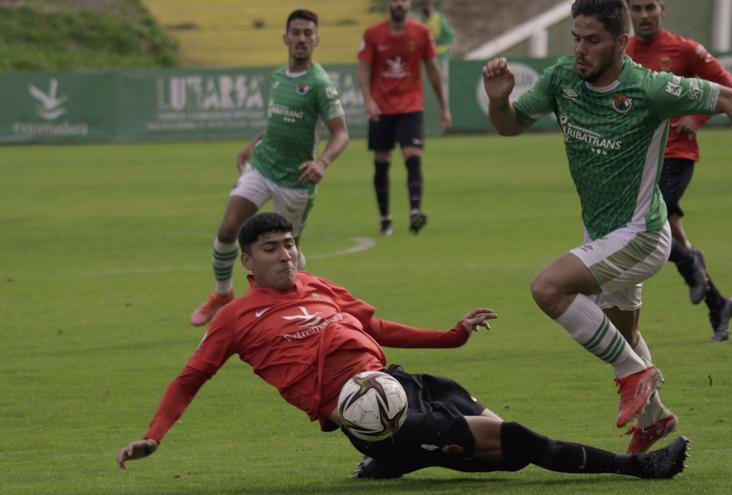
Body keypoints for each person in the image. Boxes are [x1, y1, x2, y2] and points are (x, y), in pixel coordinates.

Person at [117, 212, 690, 480]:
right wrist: (154, 435)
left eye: (290, 244)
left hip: (399, 383)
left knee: (499, 454)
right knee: (514, 440)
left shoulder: (319, 286)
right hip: (368, 411)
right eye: (270, 248)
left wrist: (453, 334)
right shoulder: (236, 319)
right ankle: (634, 469)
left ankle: (393, 464)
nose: (285, 254)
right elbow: (189, 378)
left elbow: (378, 328)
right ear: (247, 261)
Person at [482, 0, 732, 454]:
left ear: (621, 44)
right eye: (576, 38)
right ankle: (655, 418)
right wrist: (499, 99)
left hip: (641, 235)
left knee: (548, 289)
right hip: (602, 237)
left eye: (593, 41)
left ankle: (635, 375)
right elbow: (509, 127)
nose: (580, 49)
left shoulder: (649, 87)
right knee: (624, 335)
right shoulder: (563, 77)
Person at [189, 9, 349, 327]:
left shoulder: (320, 83)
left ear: (317, 39)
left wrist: (322, 161)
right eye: (296, 32)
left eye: (308, 33)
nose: (302, 38)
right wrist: (253, 144)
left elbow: (341, 133)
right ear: (286, 38)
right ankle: (222, 294)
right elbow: (277, 122)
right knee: (227, 229)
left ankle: (306, 302)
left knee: (286, 255)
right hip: (262, 167)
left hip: (296, 179)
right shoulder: (278, 77)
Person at [626, 0, 732, 342]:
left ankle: (691, 264)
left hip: (676, 154)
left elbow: (727, 86)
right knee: (670, 232)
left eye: (650, 8)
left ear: (663, 9)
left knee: (644, 224)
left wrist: (698, 117)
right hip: (639, 160)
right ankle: (718, 303)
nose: (644, 15)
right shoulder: (623, 50)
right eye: (636, 8)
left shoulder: (684, 49)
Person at [358, 0, 452, 236]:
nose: (399, 3)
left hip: (411, 107)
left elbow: (432, 69)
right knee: (382, 162)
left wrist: (444, 106)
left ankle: (415, 211)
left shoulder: (421, 33)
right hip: (381, 108)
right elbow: (364, 68)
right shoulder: (372, 34)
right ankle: (385, 219)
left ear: (409, 5)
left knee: (413, 157)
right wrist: (368, 99)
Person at [421, 0, 454, 100]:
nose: (425, 7)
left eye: (427, 5)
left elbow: (449, 36)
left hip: (442, 57)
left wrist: (433, 40)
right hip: (428, 59)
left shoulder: (439, 19)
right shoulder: (422, 21)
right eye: (423, 5)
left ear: (432, 6)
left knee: (444, 84)